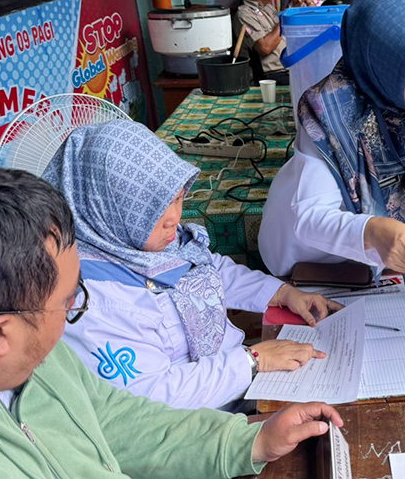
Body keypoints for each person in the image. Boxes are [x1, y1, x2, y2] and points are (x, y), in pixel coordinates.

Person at [0, 162, 348, 479]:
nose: (74, 314)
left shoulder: (42, 364)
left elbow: (120, 422)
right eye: (69, 302)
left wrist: (252, 441)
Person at [42, 120, 342, 412]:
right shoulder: (88, 302)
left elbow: (206, 269)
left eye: (177, 198)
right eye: (153, 209)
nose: (174, 217)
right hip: (199, 426)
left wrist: (282, 293)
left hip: (241, 383)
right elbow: (153, 400)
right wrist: (252, 361)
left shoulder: (136, 241)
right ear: (103, 206)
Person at [258, 0, 405, 301]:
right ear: (378, 75)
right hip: (312, 258)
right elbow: (310, 218)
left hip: (385, 259)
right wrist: (372, 232)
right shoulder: (332, 114)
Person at [236, 0, 294, 86]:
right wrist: (285, 20)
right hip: (271, 76)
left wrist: (295, 9)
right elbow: (265, 47)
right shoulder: (244, 15)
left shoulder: (267, 8)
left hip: (288, 68)